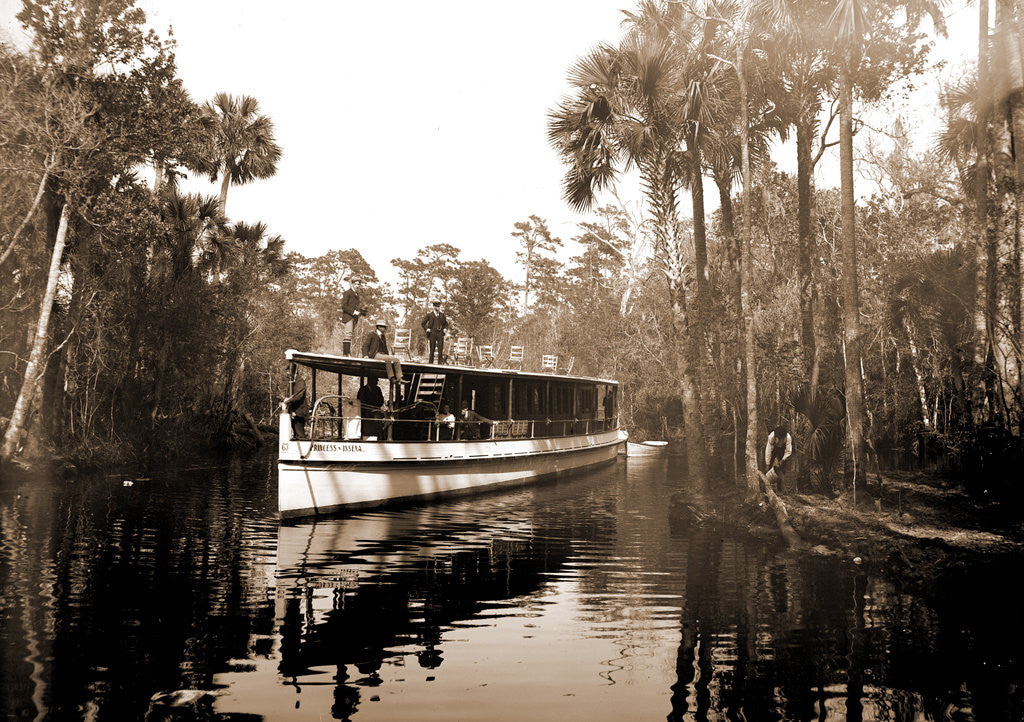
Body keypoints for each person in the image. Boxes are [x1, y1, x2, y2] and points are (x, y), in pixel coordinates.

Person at [363, 319, 404, 384]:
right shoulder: (372, 334)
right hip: (375, 355)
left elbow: (385, 348)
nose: (385, 329)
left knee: (391, 360)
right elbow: (365, 345)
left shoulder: (382, 336)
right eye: (384, 327)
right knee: (393, 359)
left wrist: (388, 356)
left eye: (385, 327)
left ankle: (395, 378)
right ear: (379, 327)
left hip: (382, 355)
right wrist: (365, 355)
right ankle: (396, 378)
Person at [281, 368, 307, 438]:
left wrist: (288, 400)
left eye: (288, 372)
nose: (287, 374)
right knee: (295, 433)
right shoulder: (292, 382)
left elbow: (298, 396)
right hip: (293, 411)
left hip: (299, 412)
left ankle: (302, 442)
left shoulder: (300, 381)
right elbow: (289, 394)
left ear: (294, 372)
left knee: (300, 433)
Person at [421, 299, 448, 364]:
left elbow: (446, 324)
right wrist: (427, 329)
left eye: (438, 306)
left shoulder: (442, 315)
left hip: (440, 333)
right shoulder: (430, 315)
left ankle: (439, 364)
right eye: (436, 306)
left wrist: (445, 329)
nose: (438, 308)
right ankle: (430, 364)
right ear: (434, 307)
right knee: (432, 349)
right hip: (432, 333)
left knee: (440, 349)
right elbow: (423, 323)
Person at [339, 272, 360, 356]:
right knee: (348, 334)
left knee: (350, 335)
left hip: (354, 318)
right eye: (356, 284)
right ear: (352, 284)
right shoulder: (347, 292)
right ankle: (346, 353)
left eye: (359, 284)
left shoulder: (357, 294)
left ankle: (346, 353)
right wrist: (353, 312)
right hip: (348, 316)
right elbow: (343, 306)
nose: (357, 286)